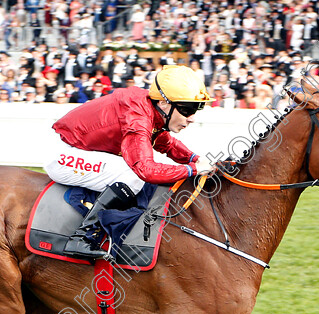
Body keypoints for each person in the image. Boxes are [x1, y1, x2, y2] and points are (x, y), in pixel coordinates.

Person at [43, 65, 213, 260]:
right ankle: (82, 238)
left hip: (77, 148)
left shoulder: (150, 107)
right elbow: (145, 170)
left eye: (197, 109)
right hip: (62, 154)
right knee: (132, 176)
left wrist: (195, 159)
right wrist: (191, 170)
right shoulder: (138, 117)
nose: (191, 118)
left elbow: (164, 141)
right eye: (187, 109)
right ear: (164, 103)